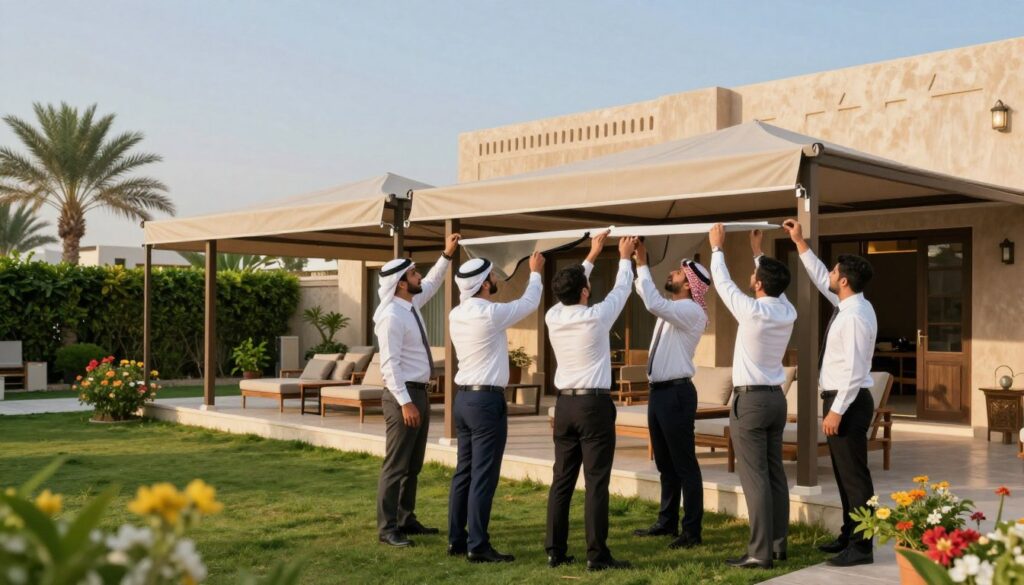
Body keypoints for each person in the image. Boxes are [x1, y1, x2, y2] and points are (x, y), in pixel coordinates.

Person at [782, 219, 878, 567]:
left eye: (835, 271)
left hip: (848, 402)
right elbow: (821, 277)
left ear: (845, 281)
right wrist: (799, 243)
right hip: (843, 400)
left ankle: (862, 547)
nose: (831, 275)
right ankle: (850, 534)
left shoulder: (854, 317)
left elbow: (854, 370)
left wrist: (837, 410)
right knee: (844, 474)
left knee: (854, 476)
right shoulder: (850, 305)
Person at [544, 231, 637, 571]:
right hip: (593, 407)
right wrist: (624, 257)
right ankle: (597, 556)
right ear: (584, 292)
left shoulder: (553, 316)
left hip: (564, 407)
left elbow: (568, 288)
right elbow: (622, 289)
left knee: (562, 480)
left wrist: (592, 255)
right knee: (596, 482)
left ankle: (555, 551)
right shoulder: (596, 317)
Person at [447, 251, 545, 563]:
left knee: (464, 472)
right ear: (484, 284)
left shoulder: (456, 314)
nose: (495, 279)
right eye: (491, 276)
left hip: (463, 400)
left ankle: (457, 540)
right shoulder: (489, 313)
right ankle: (478, 545)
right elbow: (529, 303)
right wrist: (535, 272)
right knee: (483, 476)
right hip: (486, 402)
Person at [708, 224, 796, 569]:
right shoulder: (787, 311)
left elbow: (723, 283)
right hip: (775, 399)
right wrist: (758, 252)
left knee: (756, 477)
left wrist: (717, 248)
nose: (751, 277)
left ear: (759, 284)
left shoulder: (752, 310)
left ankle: (759, 553)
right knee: (774, 474)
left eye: (755, 274)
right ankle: (777, 546)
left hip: (752, 403)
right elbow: (775, 287)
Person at [375, 233, 460, 548]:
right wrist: (406, 403)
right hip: (404, 397)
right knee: (396, 465)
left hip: (419, 394)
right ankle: (387, 528)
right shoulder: (391, 317)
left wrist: (447, 255)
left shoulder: (410, 306)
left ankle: (405, 518)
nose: (419, 276)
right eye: (413, 273)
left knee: (413, 465)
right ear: (400, 283)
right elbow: (390, 366)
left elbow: (433, 283)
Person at [631, 238, 710, 550]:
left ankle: (692, 531)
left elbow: (652, 301)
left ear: (689, 285)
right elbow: (646, 294)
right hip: (661, 394)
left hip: (676, 394)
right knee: (665, 463)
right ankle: (667, 522)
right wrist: (637, 263)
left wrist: (641, 263)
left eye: (678, 273)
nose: (672, 274)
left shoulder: (690, 310)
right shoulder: (675, 309)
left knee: (684, 464)